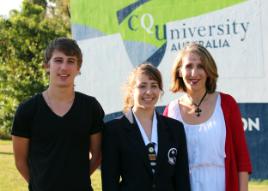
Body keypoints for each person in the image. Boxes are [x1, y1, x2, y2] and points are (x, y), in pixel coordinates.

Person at [11, 37, 104, 191]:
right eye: (58, 60)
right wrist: (39, 184)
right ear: (47, 66)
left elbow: (97, 156)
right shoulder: (28, 110)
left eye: (71, 61)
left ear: (78, 68)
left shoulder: (90, 107)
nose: (64, 67)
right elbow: (20, 162)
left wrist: (77, 180)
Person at [163, 43, 252, 191]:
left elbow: (242, 159)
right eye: (189, 66)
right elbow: (166, 165)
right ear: (179, 71)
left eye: (201, 66)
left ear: (209, 71)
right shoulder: (171, 111)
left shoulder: (227, 104)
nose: (194, 73)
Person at [101, 63, 190, 191]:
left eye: (154, 86)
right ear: (131, 91)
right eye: (142, 86)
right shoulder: (114, 130)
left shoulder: (175, 129)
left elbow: (182, 180)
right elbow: (110, 182)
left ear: (160, 90)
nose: (148, 92)